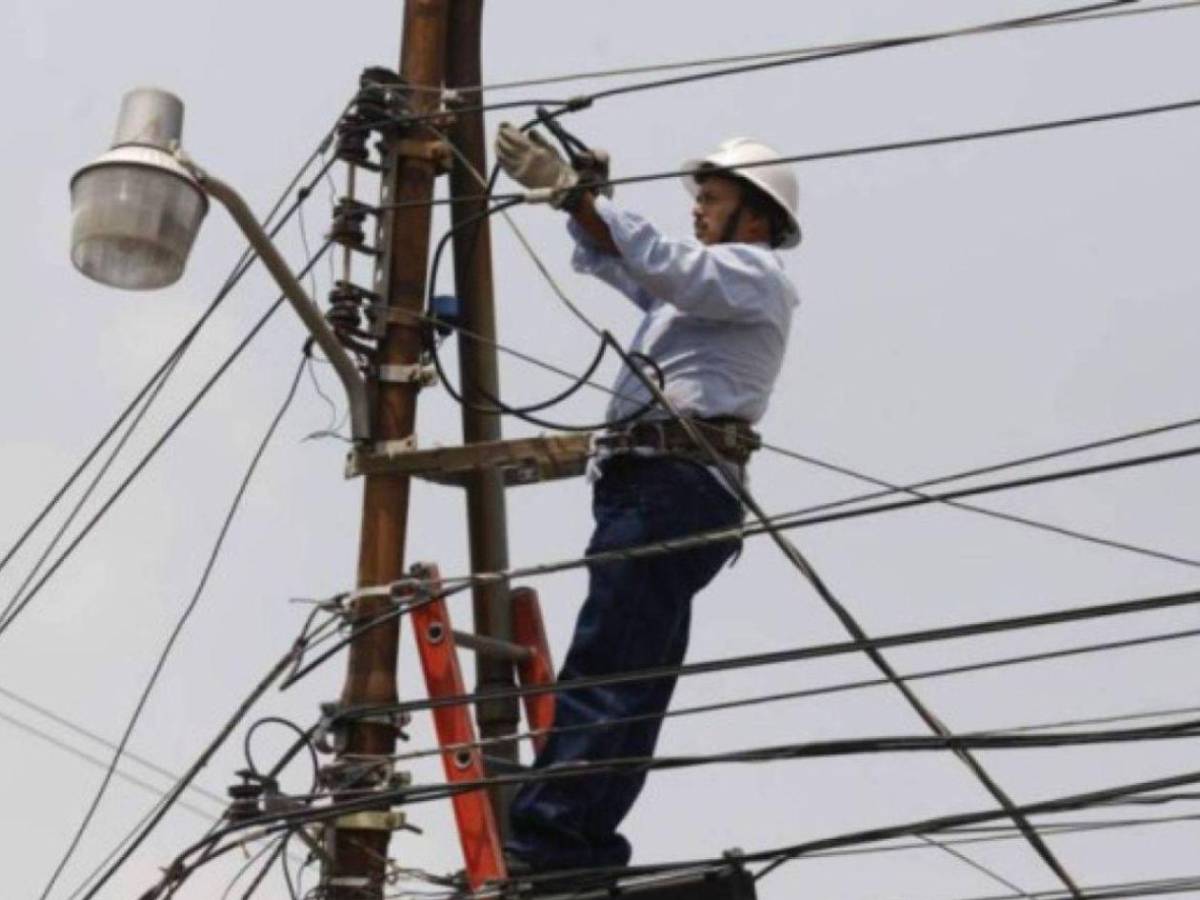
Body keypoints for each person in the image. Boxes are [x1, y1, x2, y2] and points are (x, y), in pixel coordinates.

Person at [493, 125, 802, 873]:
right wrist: (585, 205)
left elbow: (664, 262)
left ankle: (551, 840)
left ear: (755, 217)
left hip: (670, 486)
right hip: (664, 487)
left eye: (712, 198)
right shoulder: (707, 293)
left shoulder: (752, 273)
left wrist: (576, 195)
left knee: (609, 664)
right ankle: (580, 840)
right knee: (631, 674)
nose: (698, 209)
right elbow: (626, 262)